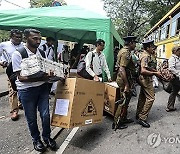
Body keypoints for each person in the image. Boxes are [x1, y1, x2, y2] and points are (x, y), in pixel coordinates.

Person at [12, 29, 57, 152]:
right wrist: (41, 77)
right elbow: (20, 77)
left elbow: (46, 70)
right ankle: (36, 140)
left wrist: (52, 74)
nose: (38, 41)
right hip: (26, 91)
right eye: (34, 38)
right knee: (31, 118)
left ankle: (47, 137)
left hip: (42, 88)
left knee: (45, 115)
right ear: (26, 38)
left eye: (39, 39)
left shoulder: (41, 53)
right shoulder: (18, 53)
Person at [112, 36, 137, 130]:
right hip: (124, 80)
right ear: (130, 43)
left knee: (126, 101)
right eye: (134, 43)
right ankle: (116, 123)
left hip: (125, 79)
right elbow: (122, 69)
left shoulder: (124, 51)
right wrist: (126, 85)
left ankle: (123, 118)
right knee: (123, 101)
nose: (135, 45)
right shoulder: (126, 53)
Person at [136, 40, 162, 128]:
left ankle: (138, 113)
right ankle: (142, 118)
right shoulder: (145, 56)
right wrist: (155, 74)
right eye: (152, 47)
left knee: (143, 97)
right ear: (147, 48)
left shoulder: (145, 55)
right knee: (151, 98)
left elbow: (146, 67)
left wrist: (154, 70)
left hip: (143, 79)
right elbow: (143, 70)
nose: (153, 48)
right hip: (145, 79)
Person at [0, 29, 23, 121]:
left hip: (23, 70)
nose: (18, 39)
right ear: (11, 37)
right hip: (11, 71)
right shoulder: (4, 45)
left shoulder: (24, 46)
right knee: (12, 90)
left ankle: (21, 103)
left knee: (23, 87)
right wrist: (2, 62)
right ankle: (14, 110)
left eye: (20, 37)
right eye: (16, 37)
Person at [166, 46, 180, 112]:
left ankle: (170, 106)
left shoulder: (178, 58)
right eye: (179, 50)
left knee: (174, 92)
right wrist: (178, 74)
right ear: (175, 51)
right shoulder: (172, 59)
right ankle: (169, 106)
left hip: (178, 78)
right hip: (176, 78)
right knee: (174, 92)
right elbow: (171, 68)